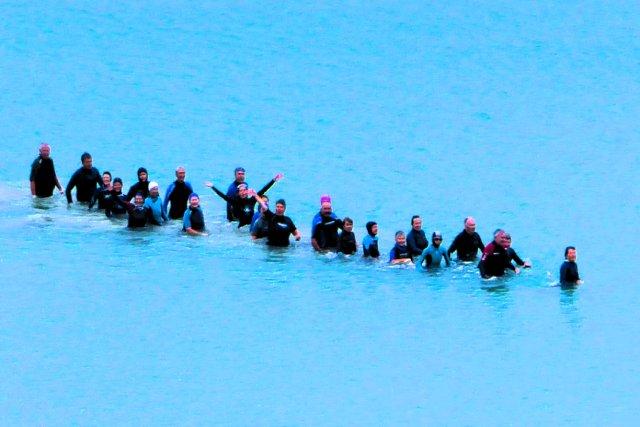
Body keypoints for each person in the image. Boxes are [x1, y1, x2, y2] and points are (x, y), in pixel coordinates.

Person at [206, 173, 283, 227]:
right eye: (241, 191)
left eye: (244, 190)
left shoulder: (252, 200)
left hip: (250, 226)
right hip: (240, 228)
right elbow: (223, 196)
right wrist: (212, 187)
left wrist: (273, 180)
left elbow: (263, 190)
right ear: (238, 192)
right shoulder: (234, 201)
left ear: (247, 191)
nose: (243, 192)